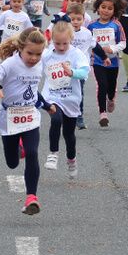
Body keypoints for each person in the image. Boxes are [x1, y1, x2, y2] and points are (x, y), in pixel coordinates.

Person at [0, 27, 54, 215]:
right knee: (12, 163)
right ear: (21, 48)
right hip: (10, 117)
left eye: (38, 54)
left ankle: (32, 197)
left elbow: (30, 90)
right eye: (30, 53)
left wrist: (46, 105)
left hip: (30, 115)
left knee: (33, 152)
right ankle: (18, 149)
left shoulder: (39, 65)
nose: (34, 58)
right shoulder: (10, 64)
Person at [41, 20, 90, 177]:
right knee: (55, 120)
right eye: (57, 44)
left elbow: (84, 72)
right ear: (52, 41)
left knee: (69, 135)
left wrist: (73, 73)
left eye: (64, 44)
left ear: (71, 39)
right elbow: (33, 65)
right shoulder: (47, 55)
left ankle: (71, 160)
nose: (61, 47)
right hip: (53, 96)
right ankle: (53, 153)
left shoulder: (76, 54)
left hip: (71, 98)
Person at [86, 0, 127, 126]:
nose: (106, 10)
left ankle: (111, 98)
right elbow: (86, 42)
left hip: (113, 62)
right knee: (101, 85)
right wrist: (91, 53)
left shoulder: (116, 25)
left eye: (110, 8)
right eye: (103, 7)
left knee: (111, 86)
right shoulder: (91, 26)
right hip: (97, 61)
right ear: (98, 7)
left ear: (114, 11)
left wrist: (113, 49)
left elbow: (123, 43)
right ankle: (102, 113)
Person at [69, 4, 94, 129]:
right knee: (66, 92)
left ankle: (79, 117)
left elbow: (95, 46)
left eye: (78, 19)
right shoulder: (65, 32)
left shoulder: (87, 33)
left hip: (81, 69)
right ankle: (67, 114)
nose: (75, 22)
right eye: (72, 19)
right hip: (66, 68)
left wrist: (104, 57)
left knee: (79, 93)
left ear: (83, 19)